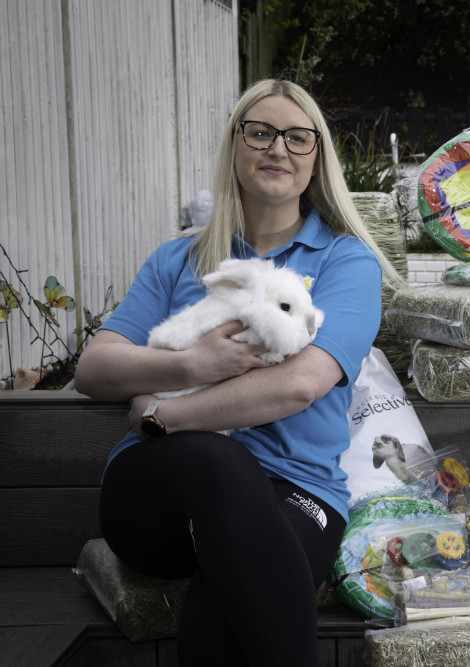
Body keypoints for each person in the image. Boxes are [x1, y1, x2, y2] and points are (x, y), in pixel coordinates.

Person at [74, 78, 404, 665]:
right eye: (261, 132)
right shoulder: (179, 258)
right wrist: (190, 363)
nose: (278, 148)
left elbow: (301, 383)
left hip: (299, 492)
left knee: (223, 610)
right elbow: (96, 366)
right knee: (215, 458)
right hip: (160, 497)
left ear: (316, 161)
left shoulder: (345, 260)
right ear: (235, 147)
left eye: (298, 138)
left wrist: (163, 414)